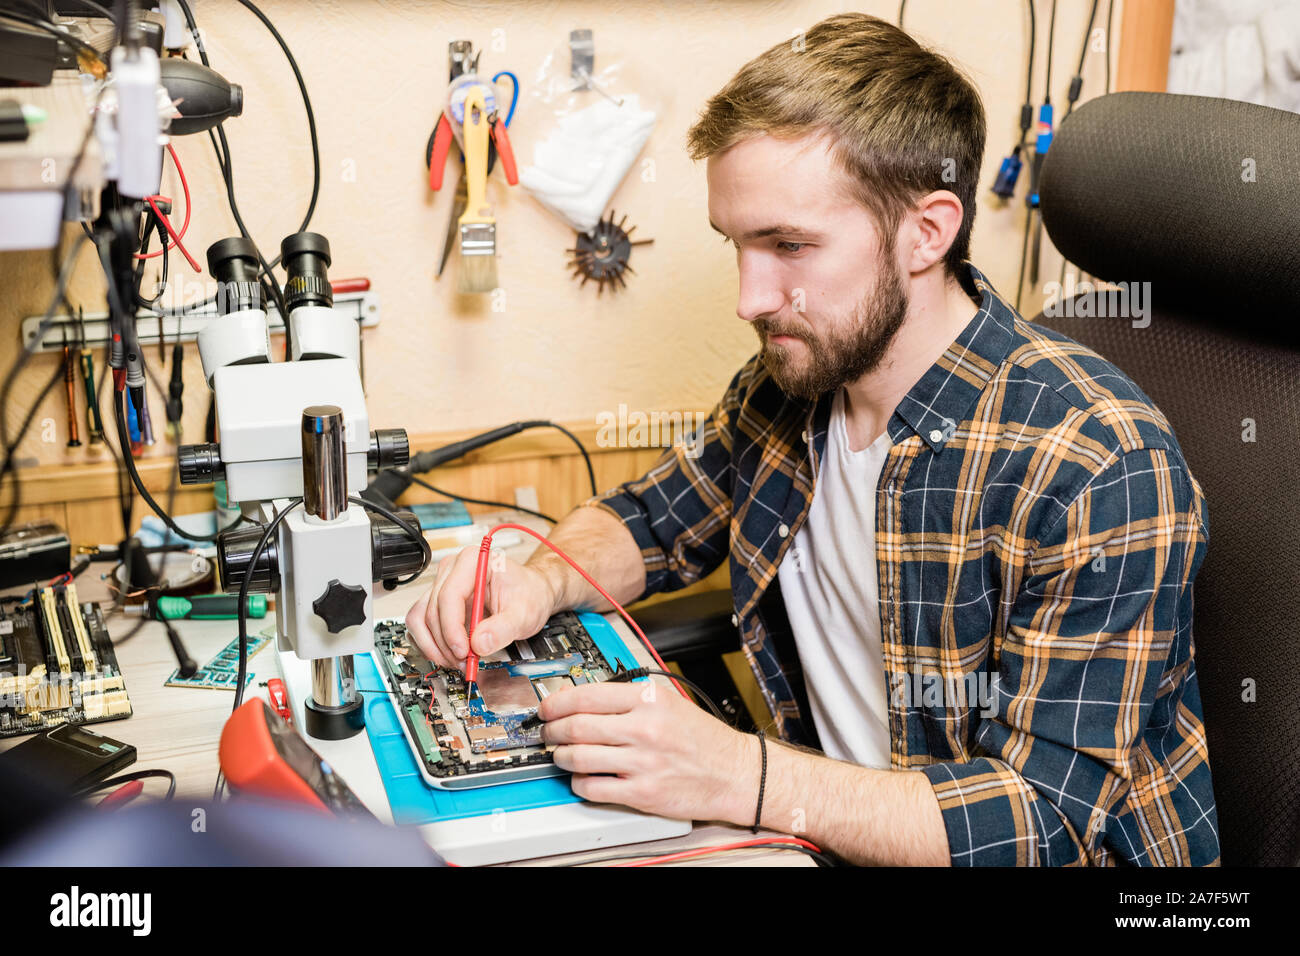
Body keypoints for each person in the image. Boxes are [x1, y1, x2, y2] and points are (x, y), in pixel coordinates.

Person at [406, 12, 1218, 866]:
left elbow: (1042, 827)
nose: (751, 299)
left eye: (789, 245)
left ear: (927, 232)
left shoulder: (1102, 464)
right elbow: (650, 522)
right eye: (739, 246)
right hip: (822, 834)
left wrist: (739, 776)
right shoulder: (793, 382)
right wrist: (537, 582)